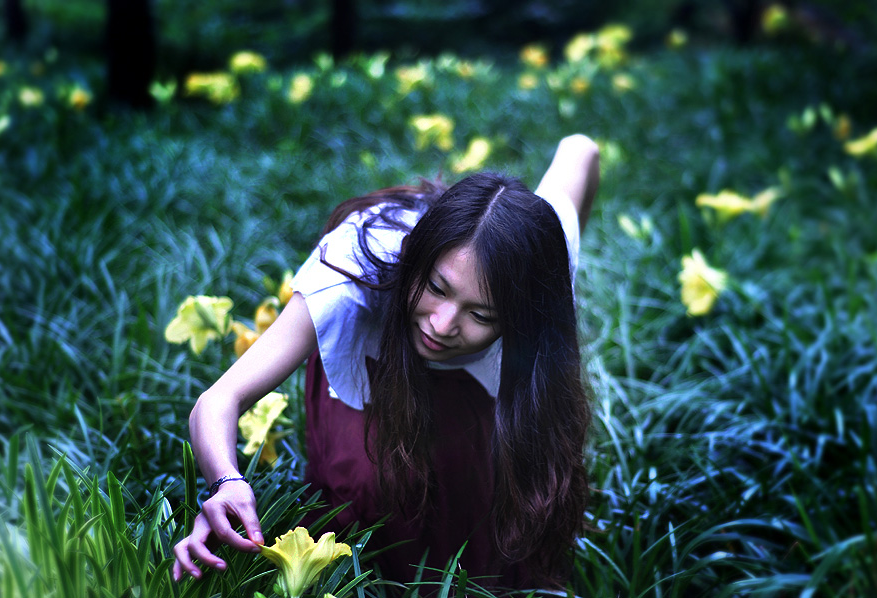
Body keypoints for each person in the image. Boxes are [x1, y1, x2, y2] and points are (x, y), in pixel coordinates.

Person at [172, 134, 601, 589]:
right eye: (436, 287)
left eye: (480, 314)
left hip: (473, 392)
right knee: (364, 486)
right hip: (378, 371)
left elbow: (582, 149)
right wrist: (227, 483)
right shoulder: (355, 273)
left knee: (478, 504)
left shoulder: (539, 282)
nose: (441, 324)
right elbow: (219, 399)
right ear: (415, 260)